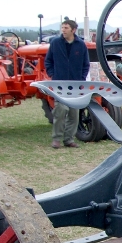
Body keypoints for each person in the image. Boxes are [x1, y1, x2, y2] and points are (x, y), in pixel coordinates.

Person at [45, 19, 90, 149]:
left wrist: (81, 79)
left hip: (75, 85)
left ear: (73, 30)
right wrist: (53, 75)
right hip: (60, 84)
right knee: (60, 110)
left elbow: (85, 64)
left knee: (74, 113)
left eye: (66, 28)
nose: (63, 30)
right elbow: (48, 61)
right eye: (62, 27)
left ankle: (69, 139)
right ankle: (56, 139)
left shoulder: (80, 45)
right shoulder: (55, 43)